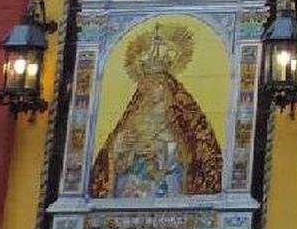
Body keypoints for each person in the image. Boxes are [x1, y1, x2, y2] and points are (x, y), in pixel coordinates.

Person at [89, 22, 223, 198]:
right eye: (148, 83)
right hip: (131, 189)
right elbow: (112, 163)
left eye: (158, 83)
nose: (152, 88)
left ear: (168, 85)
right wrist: (117, 148)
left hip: (167, 186)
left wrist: (164, 149)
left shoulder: (184, 114)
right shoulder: (134, 115)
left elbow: (199, 150)